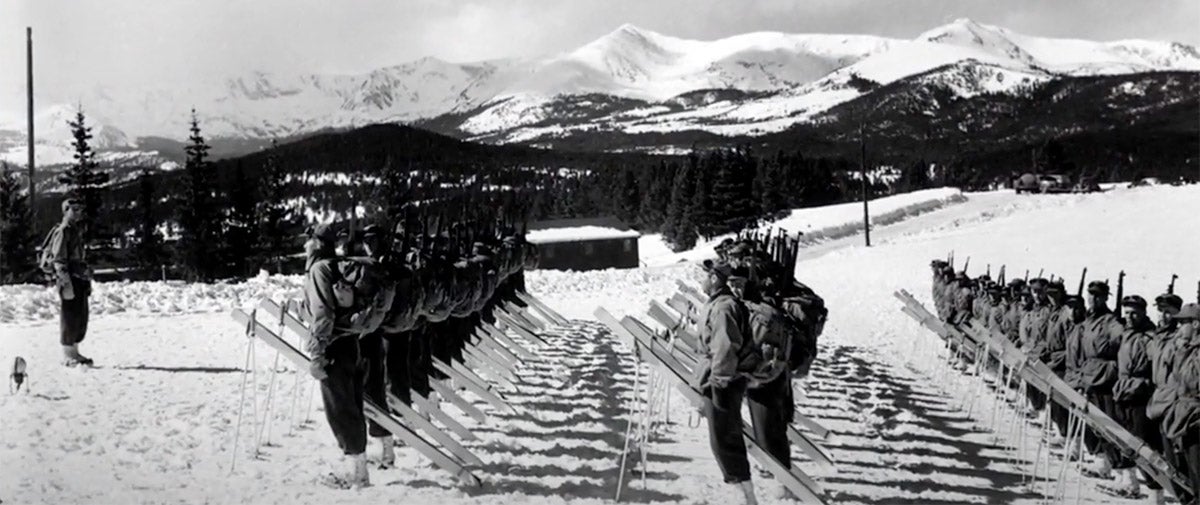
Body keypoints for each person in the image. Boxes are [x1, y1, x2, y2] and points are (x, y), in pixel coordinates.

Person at [301, 223, 395, 489]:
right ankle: (360, 469)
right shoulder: (338, 266)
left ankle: (357, 475)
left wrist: (317, 353)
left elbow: (323, 314)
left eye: (309, 240)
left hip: (334, 347)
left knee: (341, 410)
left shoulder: (320, 269)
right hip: (352, 343)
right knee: (352, 406)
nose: (305, 245)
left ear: (317, 243)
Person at [693, 259, 757, 505]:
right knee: (722, 436)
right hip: (719, 378)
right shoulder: (718, 304)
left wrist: (718, 383)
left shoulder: (723, 308)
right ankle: (742, 491)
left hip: (724, 380)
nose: (700, 280)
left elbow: (725, 348)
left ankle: (744, 494)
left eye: (704, 275)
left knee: (724, 438)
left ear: (714, 278)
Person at [1108, 295, 1160, 499]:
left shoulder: (1150, 337)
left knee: (1144, 445)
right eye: (1127, 313)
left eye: (1134, 313)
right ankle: (1130, 483)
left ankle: (1156, 493)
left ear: (1144, 313)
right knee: (1124, 439)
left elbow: (1156, 369)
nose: (1129, 317)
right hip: (1123, 392)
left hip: (1140, 395)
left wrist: (1143, 385)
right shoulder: (1127, 334)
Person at [1078, 280, 1126, 480]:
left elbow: (1121, 338)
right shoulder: (1090, 319)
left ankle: (1124, 474)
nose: (1093, 299)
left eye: (1098, 295)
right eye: (1091, 294)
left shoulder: (1110, 321)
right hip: (1090, 376)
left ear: (1106, 298)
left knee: (1109, 425)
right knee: (1095, 424)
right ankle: (1104, 463)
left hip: (1104, 379)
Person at [42, 199, 94, 367]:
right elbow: (59, 259)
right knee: (70, 315)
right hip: (70, 278)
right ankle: (67, 354)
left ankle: (75, 352)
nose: (78, 212)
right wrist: (65, 282)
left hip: (79, 278)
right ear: (66, 210)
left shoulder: (75, 229)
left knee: (80, 315)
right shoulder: (63, 231)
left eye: (80, 209)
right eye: (74, 209)